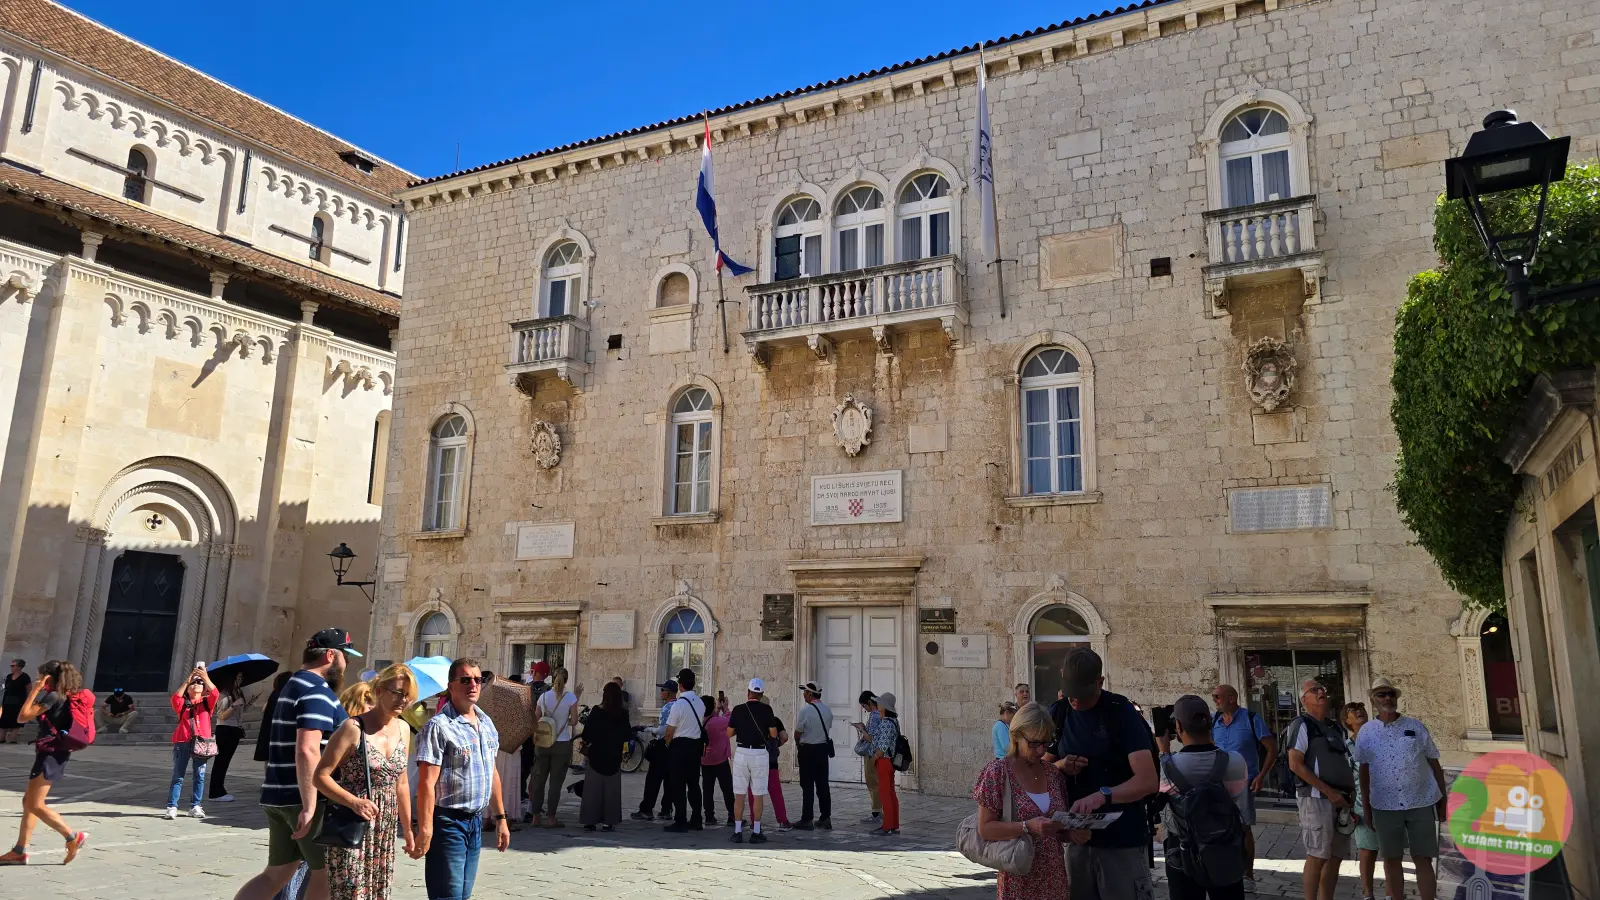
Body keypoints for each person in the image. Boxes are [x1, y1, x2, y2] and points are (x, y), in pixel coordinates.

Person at [232, 628, 359, 900]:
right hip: (303, 798)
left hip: (278, 793)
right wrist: (310, 805)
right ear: (330, 655)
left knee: (275, 875)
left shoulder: (292, 685)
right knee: (327, 875)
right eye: (346, 656)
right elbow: (307, 749)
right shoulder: (317, 691)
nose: (347, 664)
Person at [1048, 647, 1158, 900]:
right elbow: (1039, 771)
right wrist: (1060, 766)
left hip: (1122, 840)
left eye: (1081, 695)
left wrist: (1102, 796)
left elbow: (1148, 780)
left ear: (1100, 682)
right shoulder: (1059, 712)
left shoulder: (1121, 713)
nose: (1074, 700)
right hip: (1078, 839)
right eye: (1070, 693)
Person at [313, 663, 417, 900]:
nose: (403, 701)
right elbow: (320, 776)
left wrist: (408, 829)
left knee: (379, 892)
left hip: (385, 827)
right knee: (351, 893)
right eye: (398, 693)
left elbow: (401, 783)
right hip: (353, 822)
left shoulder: (403, 728)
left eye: (408, 696)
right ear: (379, 691)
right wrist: (354, 801)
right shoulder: (353, 728)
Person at [412, 658, 510, 900]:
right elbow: (426, 783)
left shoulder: (486, 723)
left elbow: (492, 772)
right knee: (448, 896)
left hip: (475, 821)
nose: (473, 685)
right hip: (448, 822)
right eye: (465, 680)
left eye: (478, 679)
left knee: (463, 895)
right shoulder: (439, 726)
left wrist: (501, 818)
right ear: (451, 686)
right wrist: (425, 828)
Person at [973, 702, 1080, 900]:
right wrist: (1027, 827)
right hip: (1018, 878)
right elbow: (985, 829)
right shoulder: (998, 772)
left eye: (1046, 743)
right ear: (1015, 736)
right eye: (1033, 743)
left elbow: (1057, 830)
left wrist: (1072, 835)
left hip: (1054, 878)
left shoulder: (1053, 773)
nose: (1040, 751)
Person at [1354, 678, 1448, 900]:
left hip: (1421, 801)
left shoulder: (1415, 726)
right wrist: (1365, 808)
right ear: (1373, 700)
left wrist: (1443, 799)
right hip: (1384, 804)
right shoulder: (1366, 733)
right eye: (1381, 695)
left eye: (1390, 694)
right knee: (1391, 859)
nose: (1387, 698)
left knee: (1423, 857)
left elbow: (1434, 762)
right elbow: (1363, 772)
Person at [1159, 695, 1249, 900]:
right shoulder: (1235, 761)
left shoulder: (1167, 766)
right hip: (1225, 845)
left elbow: (1158, 788)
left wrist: (1163, 750)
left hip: (1184, 849)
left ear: (1178, 726)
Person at [0, 660, 90, 865]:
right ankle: (19, 850)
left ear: (48, 677)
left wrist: (35, 691)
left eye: (41, 676)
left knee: (35, 804)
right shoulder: (65, 695)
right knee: (28, 802)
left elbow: (22, 717)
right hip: (54, 751)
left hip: (50, 753)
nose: (38, 679)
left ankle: (72, 836)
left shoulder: (53, 696)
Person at [1285, 679, 1354, 900]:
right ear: (1304, 700)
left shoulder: (1335, 727)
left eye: (1322, 688)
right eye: (1314, 690)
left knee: (1335, 858)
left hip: (1341, 801)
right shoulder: (1302, 725)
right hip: (1316, 799)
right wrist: (1328, 791)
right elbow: (1295, 764)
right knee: (1317, 855)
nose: (1321, 691)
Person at [1210, 683, 1276, 890]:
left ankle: (1248, 875)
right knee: (1220, 826)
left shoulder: (1251, 719)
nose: (1215, 701)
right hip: (1219, 783)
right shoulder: (1215, 721)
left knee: (1244, 827)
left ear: (1231, 698)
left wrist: (1262, 776)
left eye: (1217, 697)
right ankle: (1225, 869)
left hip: (1244, 782)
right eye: (1214, 697)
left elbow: (1272, 748)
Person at [728, 679, 778, 844]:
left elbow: (729, 733)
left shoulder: (738, 709)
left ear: (747, 692)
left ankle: (737, 832)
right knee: (758, 794)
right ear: (762, 694)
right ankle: (756, 831)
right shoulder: (767, 709)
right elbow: (773, 733)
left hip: (742, 752)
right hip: (759, 753)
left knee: (740, 795)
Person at [167, 663, 219, 819]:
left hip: (202, 742)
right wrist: (188, 680)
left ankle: (195, 806)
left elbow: (215, 693)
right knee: (178, 775)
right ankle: (172, 806)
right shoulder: (182, 704)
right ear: (188, 688)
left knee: (199, 775)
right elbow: (175, 697)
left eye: (200, 684)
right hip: (182, 741)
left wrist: (205, 677)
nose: (197, 685)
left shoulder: (206, 704)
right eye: (194, 683)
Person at [528, 666, 579, 827]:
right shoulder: (571, 698)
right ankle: (551, 817)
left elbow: (535, 720)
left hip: (543, 743)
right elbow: (574, 721)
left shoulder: (543, 697)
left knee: (538, 780)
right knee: (555, 783)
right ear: (567, 680)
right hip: (562, 743)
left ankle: (536, 816)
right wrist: (565, 721)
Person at [1340, 701, 1380, 900]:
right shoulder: (1347, 747)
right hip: (1362, 804)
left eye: (1360, 709)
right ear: (1346, 721)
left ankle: (1392, 893)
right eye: (1351, 711)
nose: (1357, 712)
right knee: (1367, 851)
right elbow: (1347, 777)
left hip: (1387, 801)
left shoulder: (1380, 738)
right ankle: (1368, 894)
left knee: (1391, 852)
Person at [578, 680, 630, 831]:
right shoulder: (623, 714)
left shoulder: (596, 711)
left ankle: (590, 820)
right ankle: (609, 821)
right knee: (611, 791)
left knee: (593, 790)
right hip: (614, 755)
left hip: (596, 755)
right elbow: (627, 734)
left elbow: (586, 733)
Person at [661, 667, 706, 833]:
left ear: (680, 685)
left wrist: (667, 744)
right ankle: (696, 819)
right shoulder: (700, 703)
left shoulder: (678, 705)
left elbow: (669, 731)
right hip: (695, 747)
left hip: (680, 746)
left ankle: (680, 820)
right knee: (694, 784)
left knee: (678, 784)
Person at [631, 679, 677, 821]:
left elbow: (662, 730)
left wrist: (647, 728)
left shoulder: (667, 708)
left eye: (663, 690)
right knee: (669, 780)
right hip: (674, 747)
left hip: (663, 746)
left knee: (653, 780)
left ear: (669, 692)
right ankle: (666, 809)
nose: (661, 692)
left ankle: (646, 809)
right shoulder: (679, 706)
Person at [793, 681, 833, 830]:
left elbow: (798, 732)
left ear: (810, 694)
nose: (803, 694)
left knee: (808, 786)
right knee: (823, 785)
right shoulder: (827, 710)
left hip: (808, 750)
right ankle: (825, 817)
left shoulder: (805, 711)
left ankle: (807, 819)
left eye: (805, 692)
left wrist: (798, 744)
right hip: (822, 750)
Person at [209, 674, 252, 803]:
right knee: (221, 762)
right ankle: (215, 792)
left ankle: (219, 789)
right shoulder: (224, 695)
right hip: (225, 730)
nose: (240, 680)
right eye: (237, 678)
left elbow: (237, 713)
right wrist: (234, 705)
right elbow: (221, 716)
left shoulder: (237, 693)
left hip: (234, 730)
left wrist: (248, 704)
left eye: (241, 678)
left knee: (225, 762)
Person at [867, 692, 902, 836]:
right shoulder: (892, 721)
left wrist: (873, 758)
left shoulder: (887, 723)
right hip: (889, 761)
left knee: (885, 793)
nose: (878, 704)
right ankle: (893, 824)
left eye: (880, 703)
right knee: (891, 792)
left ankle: (887, 826)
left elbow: (882, 747)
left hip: (884, 761)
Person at [700, 693, 733, 826]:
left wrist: (717, 709)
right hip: (720, 759)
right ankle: (732, 815)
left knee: (707, 789)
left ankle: (709, 816)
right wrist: (725, 709)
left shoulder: (702, 720)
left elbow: (712, 716)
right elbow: (730, 721)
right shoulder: (717, 722)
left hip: (705, 759)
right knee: (727, 788)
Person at [852, 690, 882, 826]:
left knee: (873, 783)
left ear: (869, 703)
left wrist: (861, 730)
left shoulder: (875, 716)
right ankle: (878, 810)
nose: (864, 709)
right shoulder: (877, 715)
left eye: (864, 706)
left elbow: (871, 738)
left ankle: (876, 812)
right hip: (873, 752)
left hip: (871, 753)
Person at [255, 671, 294, 764]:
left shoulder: (275, 693)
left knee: (268, 758)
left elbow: (264, 709)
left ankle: (268, 777)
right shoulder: (284, 694)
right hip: (278, 731)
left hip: (269, 730)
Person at [1, 659, 31, 743]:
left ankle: (12, 739)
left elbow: (29, 689)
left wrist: (28, 702)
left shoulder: (25, 677)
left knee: (16, 722)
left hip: (18, 703)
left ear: (19, 667)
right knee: (4, 721)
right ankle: (2, 738)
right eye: (11, 665)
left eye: (13, 665)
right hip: (7, 702)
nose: (11, 667)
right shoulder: (9, 676)